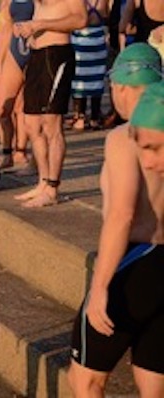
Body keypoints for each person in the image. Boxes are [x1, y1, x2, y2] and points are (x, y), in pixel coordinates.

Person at [67, 43, 164, 397]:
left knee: (85, 380)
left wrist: (100, 287)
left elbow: (121, 215)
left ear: (121, 87)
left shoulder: (126, 138)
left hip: (134, 262)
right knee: (153, 382)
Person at [12, 0, 88, 208]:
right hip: (37, 55)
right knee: (31, 124)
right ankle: (43, 182)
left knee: (51, 124)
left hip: (56, 55)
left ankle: (52, 187)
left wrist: (40, 25)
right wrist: (26, 27)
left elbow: (80, 19)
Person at [0, 0, 34, 170]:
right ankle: (6, 151)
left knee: (25, 109)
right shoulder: (8, 2)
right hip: (15, 51)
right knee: (3, 109)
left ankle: (21, 151)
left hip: (35, 51)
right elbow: (5, 32)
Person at [69, 0, 109, 131]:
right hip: (97, 38)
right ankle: (95, 117)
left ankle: (79, 116)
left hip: (80, 38)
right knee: (96, 79)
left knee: (78, 79)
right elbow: (105, 14)